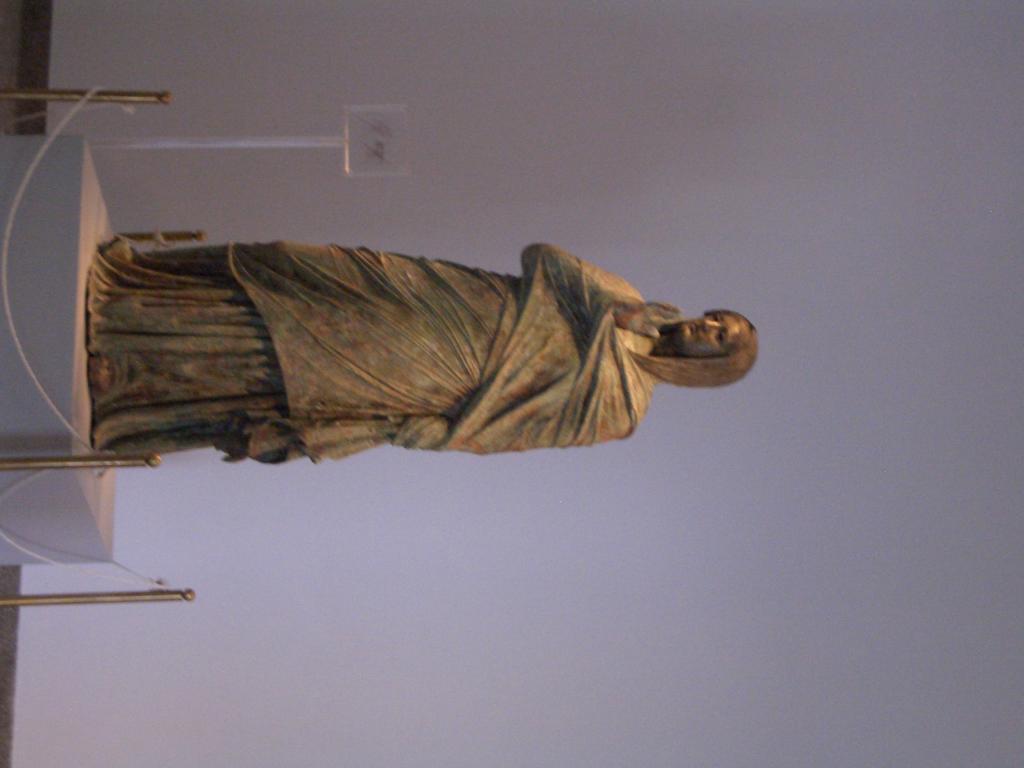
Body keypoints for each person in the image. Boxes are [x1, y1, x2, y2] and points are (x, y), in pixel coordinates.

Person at [87, 239, 757, 463]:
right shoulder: (628, 302)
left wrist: (414, 430)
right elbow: (541, 258)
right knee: (298, 269)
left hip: (454, 375)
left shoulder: (622, 406)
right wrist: (607, 306)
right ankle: (142, 295)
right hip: (464, 302)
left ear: (713, 369)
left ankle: (139, 369)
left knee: (306, 362)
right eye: (717, 318)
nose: (708, 327)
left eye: (720, 337)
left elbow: (510, 433)